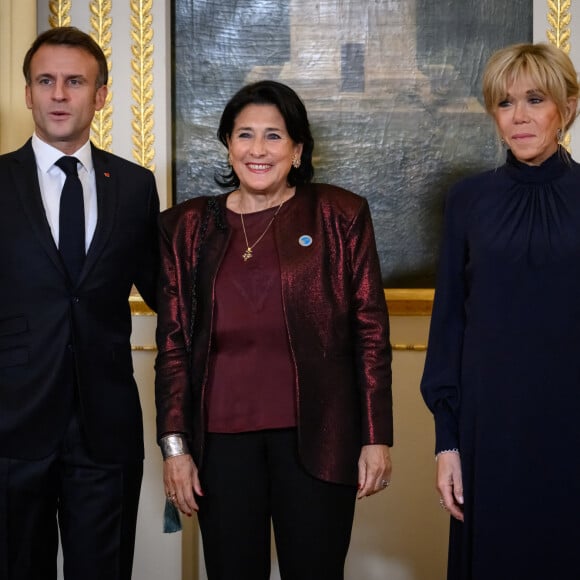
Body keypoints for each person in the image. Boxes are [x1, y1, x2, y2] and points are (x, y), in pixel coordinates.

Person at [155, 80, 393, 579]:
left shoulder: (340, 215)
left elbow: (370, 332)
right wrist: (174, 447)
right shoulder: (188, 227)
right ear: (227, 144)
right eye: (244, 135)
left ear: (298, 149)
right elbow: (173, 345)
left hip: (318, 438)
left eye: (274, 136)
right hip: (220, 445)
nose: (257, 150)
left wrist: (376, 437)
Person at [0, 27, 159, 579]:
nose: (59, 94)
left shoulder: (135, 186)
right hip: (11, 427)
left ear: (101, 94)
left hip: (107, 427)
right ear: (28, 93)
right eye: (46, 81)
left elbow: (170, 294)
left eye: (74, 81)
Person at [421, 42, 580, 579]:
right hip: (490, 429)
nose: (520, 117)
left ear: (567, 105)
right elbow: (449, 325)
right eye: (505, 103)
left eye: (535, 100)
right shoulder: (468, 200)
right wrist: (447, 443)